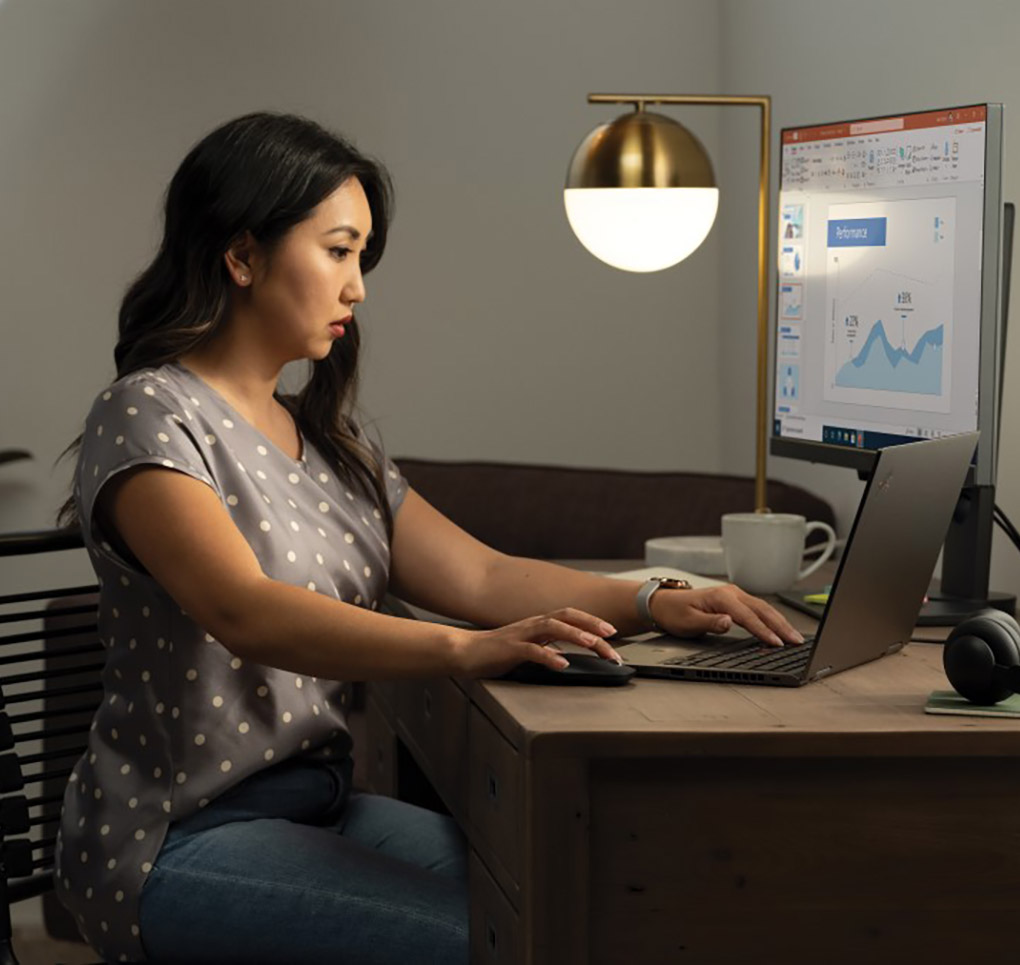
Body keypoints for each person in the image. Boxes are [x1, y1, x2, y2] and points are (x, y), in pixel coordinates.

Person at [55, 111, 802, 964]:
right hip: (174, 837)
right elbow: (245, 609)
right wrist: (462, 649)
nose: (358, 286)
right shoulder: (148, 412)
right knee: (504, 941)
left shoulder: (328, 436)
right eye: (338, 250)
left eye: (362, 257)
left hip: (322, 804)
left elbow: (481, 574)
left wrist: (653, 597)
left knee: (584, 900)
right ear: (243, 255)